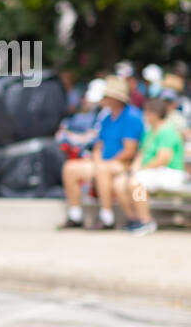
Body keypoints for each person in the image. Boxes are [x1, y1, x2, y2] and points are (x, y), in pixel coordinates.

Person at [60, 76, 143, 229]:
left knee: (102, 170)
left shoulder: (132, 116)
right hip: (105, 163)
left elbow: (129, 151)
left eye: (106, 96)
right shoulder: (107, 117)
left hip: (123, 164)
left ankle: (107, 217)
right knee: (70, 168)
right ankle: (75, 215)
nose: (103, 99)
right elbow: (99, 146)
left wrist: (103, 164)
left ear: (115, 98)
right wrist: (98, 161)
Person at [117, 98, 186, 236]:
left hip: (170, 173)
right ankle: (134, 218)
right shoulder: (150, 132)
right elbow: (141, 154)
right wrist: (134, 168)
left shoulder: (167, 131)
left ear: (155, 114)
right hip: (152, 172)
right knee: (119, 183)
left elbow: (163, 159)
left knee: (137, 183)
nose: (144, 116)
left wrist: (141, 170)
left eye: (147, 113)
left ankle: (146, 221)